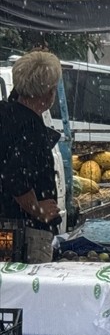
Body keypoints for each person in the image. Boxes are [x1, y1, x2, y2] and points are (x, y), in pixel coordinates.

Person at [0, 51, 63, 262]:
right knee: (28, 290)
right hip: (26, 231)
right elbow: (14, 177)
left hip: (7, 223)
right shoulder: (31, 129)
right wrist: (38, 210)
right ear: (48, 94)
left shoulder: (6, 114)